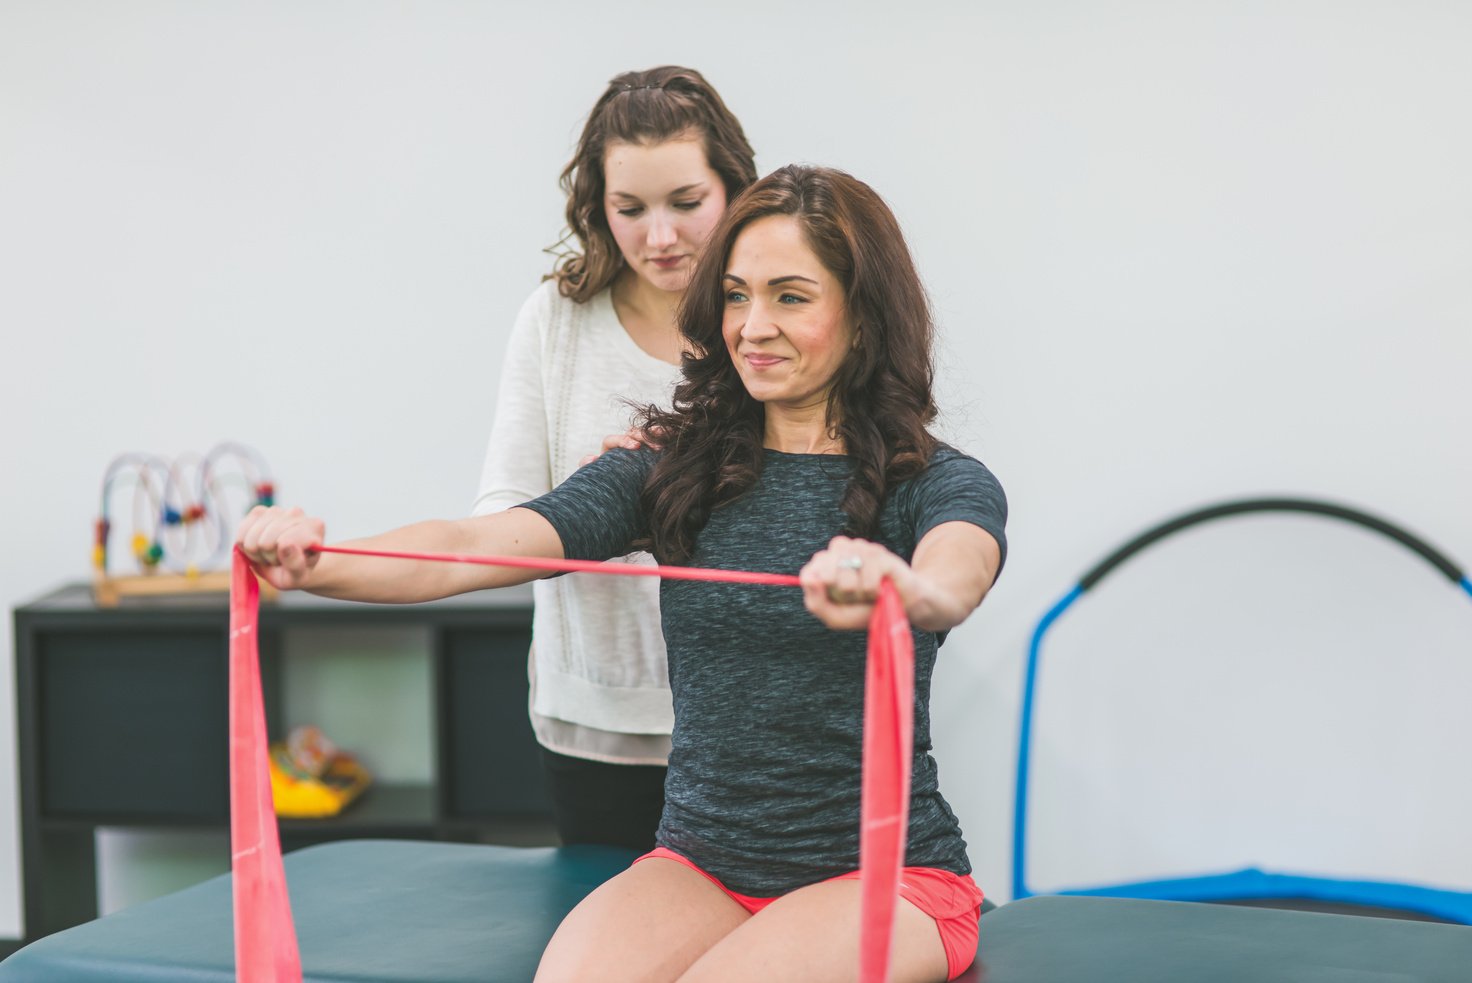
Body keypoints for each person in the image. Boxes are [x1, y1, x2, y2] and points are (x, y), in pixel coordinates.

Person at [238, 164, 1007, 983]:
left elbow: (956, 569)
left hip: (890, 878)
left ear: (863, 315)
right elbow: (473, 543)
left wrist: (901, 589)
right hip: (703, 865)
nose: (753, 325)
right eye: (738, 295)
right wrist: (316, 561)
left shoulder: (933, 482)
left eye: (790, 296)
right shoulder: (677, 469)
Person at [470, 66, 757, 851]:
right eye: (630, 209)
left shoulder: (767, 317)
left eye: (686, 204)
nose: (658, 238)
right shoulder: (554, 320)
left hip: (753, 720)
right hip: (595, 718)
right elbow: (500, 515)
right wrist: (599, 506)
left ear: (734, 188)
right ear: (598, 205)